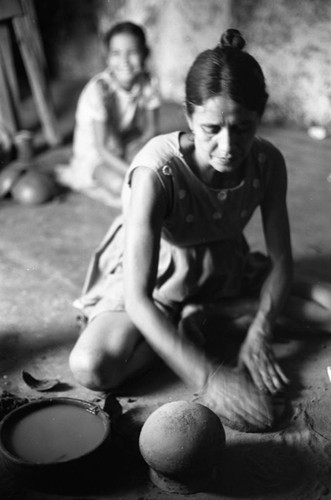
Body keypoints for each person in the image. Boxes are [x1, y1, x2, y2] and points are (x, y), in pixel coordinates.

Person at [69, 29, 331, 432]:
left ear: (259, 117)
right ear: (189, 117)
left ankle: (218, 315)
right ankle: (188, 326)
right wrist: (208, 377)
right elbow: (138, 298)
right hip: (158, 277)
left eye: (243, 128)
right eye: (211, 128)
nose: (227, 145)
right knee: (92, 367)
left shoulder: (268, 161)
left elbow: (282, 262)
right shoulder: (156, 170)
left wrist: (260, 331)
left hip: (225, 265)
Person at [57, 21, 160, 203]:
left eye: (133, 52)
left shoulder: (148, 83)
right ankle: (76, 176)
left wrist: (141, 154)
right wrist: (132, 171)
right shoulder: (99, 90)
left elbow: (151, 131)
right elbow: (102, 148)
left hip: (124, 141)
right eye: (116, 53)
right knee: (120, 184)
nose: (124, 61)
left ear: (145, 53)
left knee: (157, 164)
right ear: (107, 57)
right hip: (96, 154)